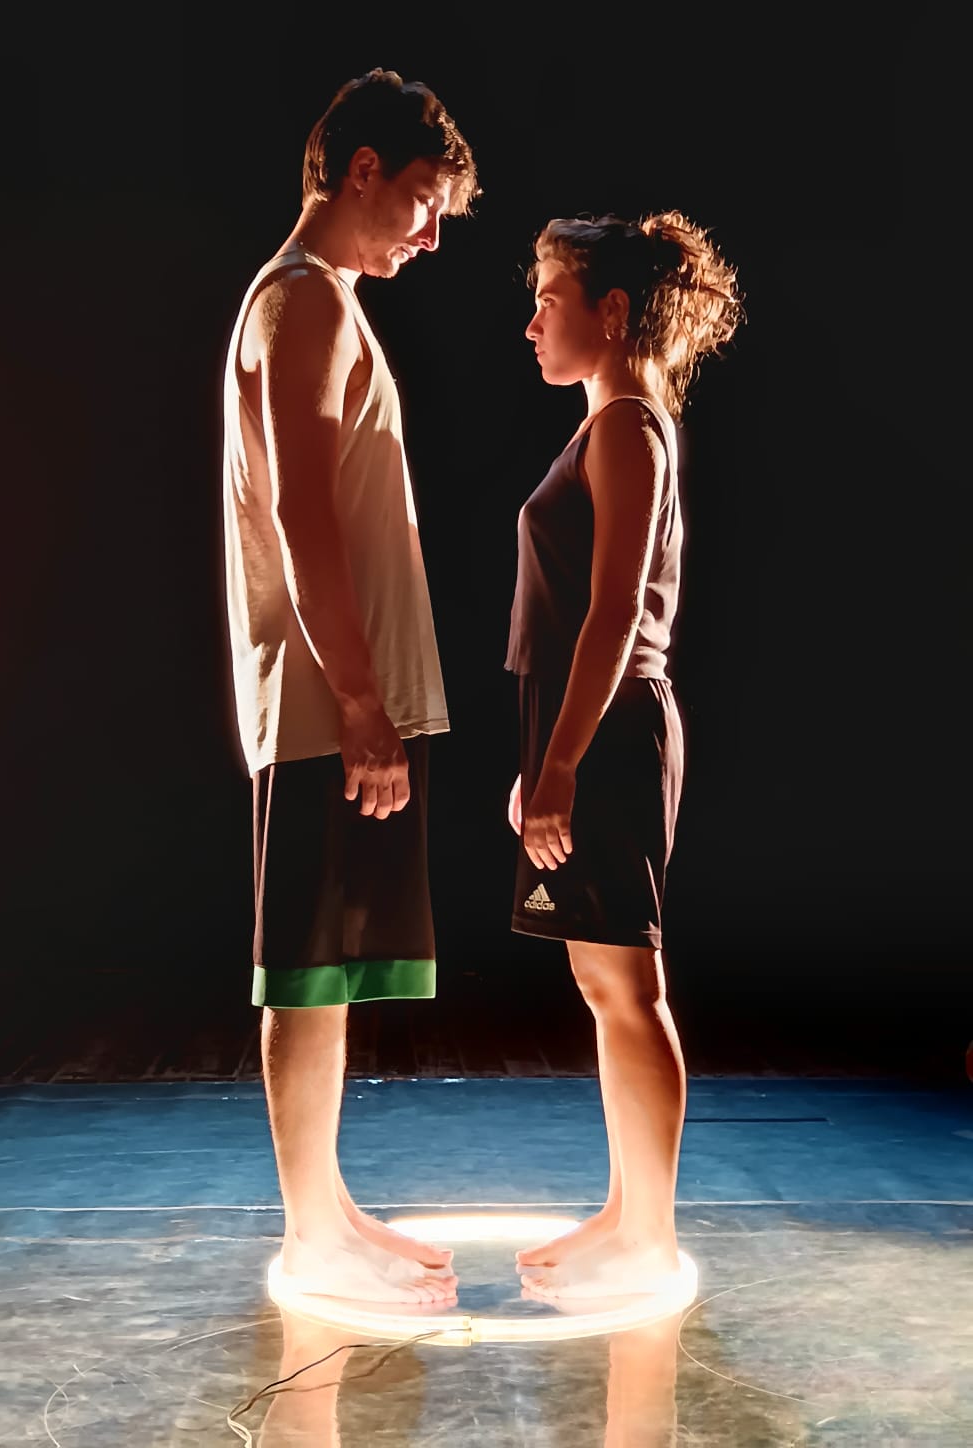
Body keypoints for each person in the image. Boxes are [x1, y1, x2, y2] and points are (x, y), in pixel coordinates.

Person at [221, 69, 479, 1303]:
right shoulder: (305, 300)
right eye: (424, 201)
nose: (429, 236)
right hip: (329, 704)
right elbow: (302, 511)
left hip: (339, 698)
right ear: (363, 170)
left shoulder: (319, 300)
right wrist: (363, 702)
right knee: (306, 966)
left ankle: (324, 1208)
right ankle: (309, 1231)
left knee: (327, 969)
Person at [504, 210, 744, 1298]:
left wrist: (559, 764)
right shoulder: (618, 423)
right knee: (604, 981)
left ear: (610, 311)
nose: (532, 324)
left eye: (548, 300)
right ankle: (625, 1210)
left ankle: (649, 1230)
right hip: (585, 728)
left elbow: (612, 617)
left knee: (628, 984)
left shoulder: (627, 428)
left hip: (608, 733)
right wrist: (542, 758)